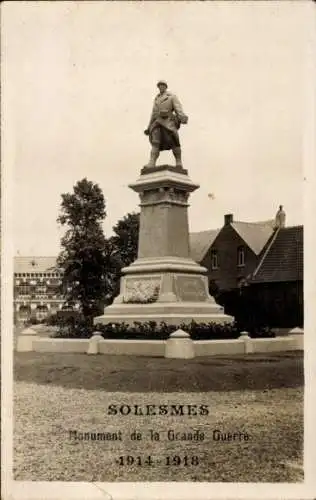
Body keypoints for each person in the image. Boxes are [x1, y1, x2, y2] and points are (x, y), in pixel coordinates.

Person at [144, 80, 188, 168]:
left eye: (162, 85)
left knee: (174, 141)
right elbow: (153, 113)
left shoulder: (171, 97)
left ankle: (178, 162)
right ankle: (152, 162)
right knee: (155, 142)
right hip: (157, 122)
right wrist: (149, 127)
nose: (161, 87)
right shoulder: (156, 98)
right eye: (159, 86)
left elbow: (178, 108)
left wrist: (182, 117)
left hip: (168, 122)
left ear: (165, 86)